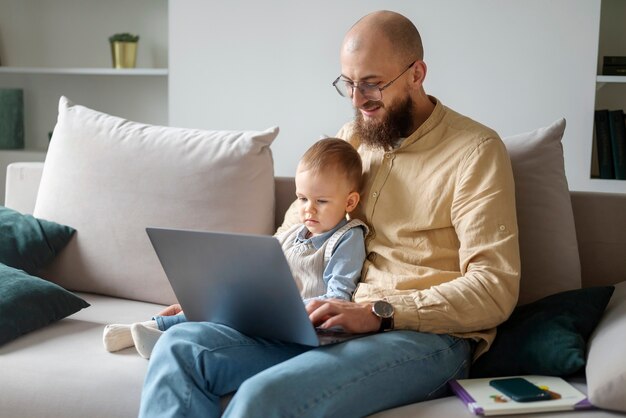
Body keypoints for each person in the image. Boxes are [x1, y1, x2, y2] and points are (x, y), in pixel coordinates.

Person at [139, 10, 520, 418]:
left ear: (416, 73)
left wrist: (378, 314)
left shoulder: (475, 151)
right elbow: (293, 232)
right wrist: (225, 294)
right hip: (326, 319)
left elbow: (494, 288)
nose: (357, 100)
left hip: (422, 338)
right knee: (180, 349)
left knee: (265, 397)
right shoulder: (352, 138)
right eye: (349, 84)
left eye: (372, 84)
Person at [103, 138, 368, 359]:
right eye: (302, 198)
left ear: (349, 201)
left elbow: (338, 299)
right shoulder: (292, 235)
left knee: (227, 321)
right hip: (271, 311)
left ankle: (160, 338)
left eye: (321, 201)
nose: (308, 209)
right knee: (218, 304)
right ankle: (150, 327)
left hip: (306, 325)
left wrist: (287, 308)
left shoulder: (348, 238)